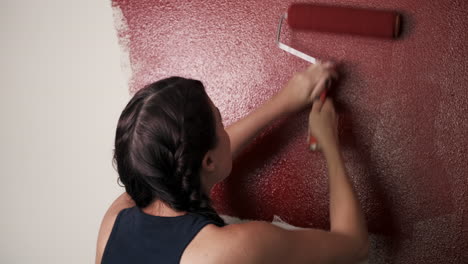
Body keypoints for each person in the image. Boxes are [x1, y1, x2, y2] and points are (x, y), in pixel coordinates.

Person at [95, 61, 369, 264]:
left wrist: (284, 102)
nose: (226, 130)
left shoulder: (115, 221)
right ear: (208, 160)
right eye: (221, 122)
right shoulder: (229, 249)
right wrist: (330, 143)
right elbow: (354, 246)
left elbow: (188, 157)